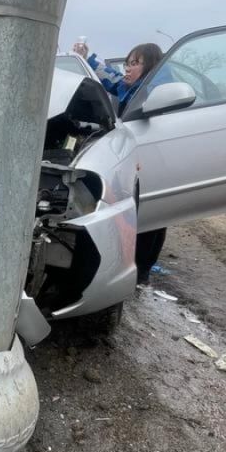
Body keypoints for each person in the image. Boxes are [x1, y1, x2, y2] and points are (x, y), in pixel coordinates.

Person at [72, 39, 170, 281]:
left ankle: (142, 271)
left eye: (135, 64)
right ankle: (135, 267)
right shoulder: (133, 89)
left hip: (154, 162)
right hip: (136, 160)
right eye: (127, 63)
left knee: (152, 215)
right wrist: (89, 58)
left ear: (151, 68)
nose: (127, 68)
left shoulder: (155, 91)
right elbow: (112, 79)